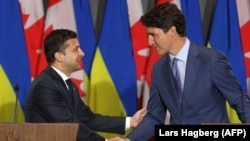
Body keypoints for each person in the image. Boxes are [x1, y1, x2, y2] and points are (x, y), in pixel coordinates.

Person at [109, 2, 250, 141]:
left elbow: (239, 101)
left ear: (172, 31)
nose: (150, 42)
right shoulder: (158, 68)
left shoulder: (211, 60)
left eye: (154, 35)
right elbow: (154, 116)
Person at [24, 29, 146, 141]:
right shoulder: (45, 86)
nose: (82, 53)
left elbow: (88, 119)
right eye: (76, 49)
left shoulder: (68, 84)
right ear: (59, 56)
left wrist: (130, 121)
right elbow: (67, 126)